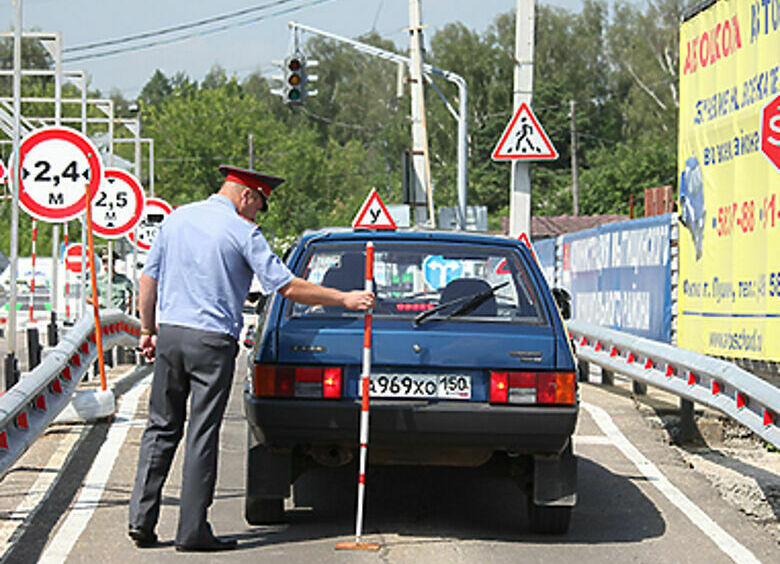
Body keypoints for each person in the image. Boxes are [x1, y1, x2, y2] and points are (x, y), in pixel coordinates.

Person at [127, 164, 374, 552]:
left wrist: (147, 330)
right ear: (247, 195)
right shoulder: (243, 232)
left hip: (171, 335)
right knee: (201, 433)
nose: (257, 213)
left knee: (160, 427)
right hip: (210, 343)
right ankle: (192, 531)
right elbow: (288, 286)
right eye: (259, 205)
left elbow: (148, 279)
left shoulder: (176, 219)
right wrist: (344, 298)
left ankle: (141, 521)